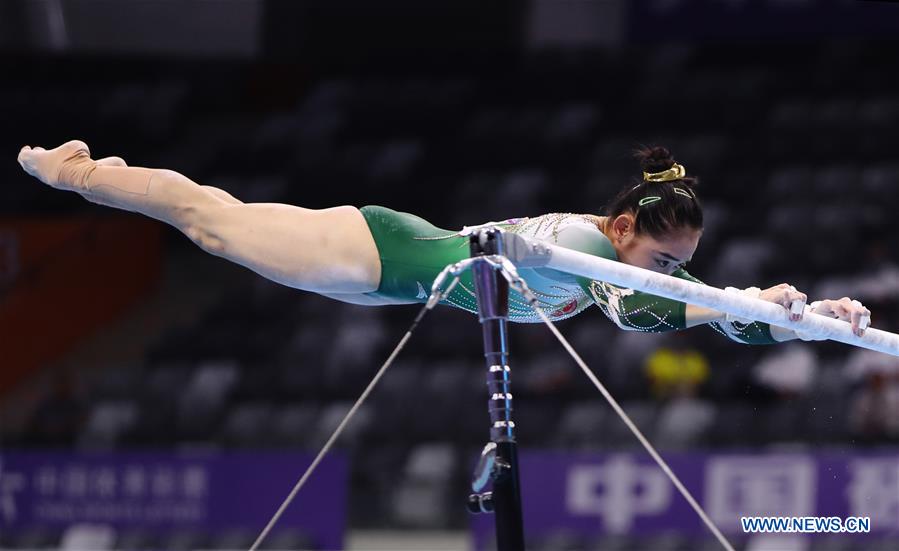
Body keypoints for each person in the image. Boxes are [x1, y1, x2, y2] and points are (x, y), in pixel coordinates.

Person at [17, 140, 871, 343]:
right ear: (620, 229)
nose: (676, 273)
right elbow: (651, 310)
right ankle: (81, 173)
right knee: (208, 220)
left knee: (213, 218)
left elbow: (691, 312)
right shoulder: (582, 246)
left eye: (685, 263)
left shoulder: (627, 268)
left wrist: (802, 318)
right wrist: (756, 304)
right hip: (379, 252)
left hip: (375, 287)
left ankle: (92, 173)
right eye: (665, 256)